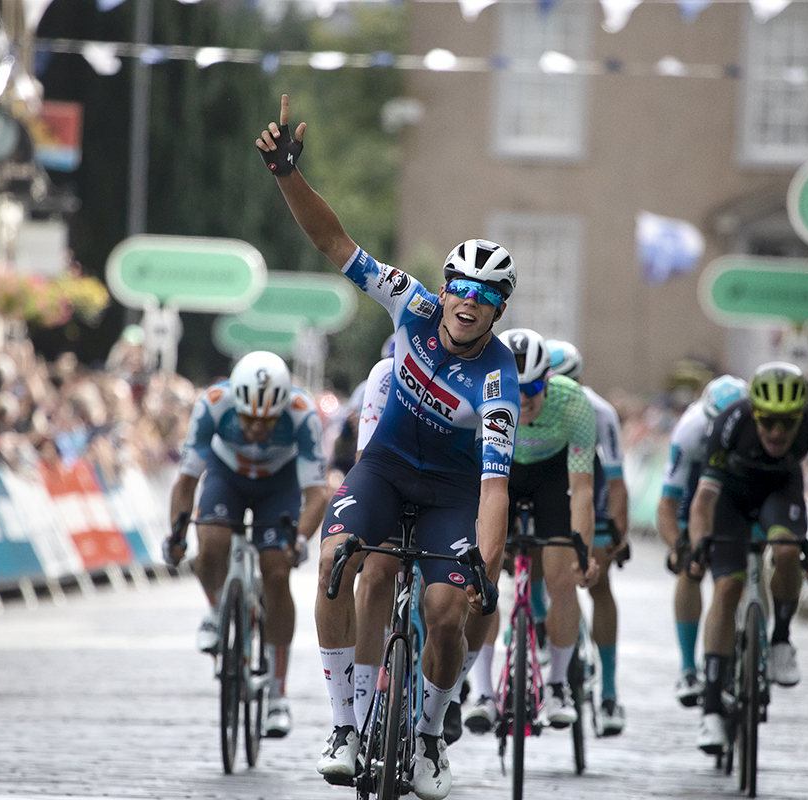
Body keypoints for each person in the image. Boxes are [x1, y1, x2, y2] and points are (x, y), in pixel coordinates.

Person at [257, 94, 519, 800]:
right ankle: (346, 725)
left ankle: (430, 735)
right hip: (386, 469)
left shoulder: (499, 377)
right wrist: (286, 174)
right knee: (337, 563)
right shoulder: (413, 303)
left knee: (444, 612)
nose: (469, 299)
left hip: (454, 494)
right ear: (445, 287)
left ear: (498, 308)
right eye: (462, 285)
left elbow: (495, 489)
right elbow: (334, 244)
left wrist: (485, 573)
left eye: (486, 294)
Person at [166, 350, 329, 738]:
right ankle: (214, 608)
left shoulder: (303, 413)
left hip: (280, 484)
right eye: (249, 418)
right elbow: (186, 481)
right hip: (228, 476)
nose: (257, 428)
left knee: (276, 572)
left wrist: (300, 540)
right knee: (212, 540)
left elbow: (317, 494)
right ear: (236, 403)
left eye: (267, 420)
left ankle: (277, 695)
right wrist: (175, 535)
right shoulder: (213, 405)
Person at [687, 361, 808, 754]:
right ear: (755, 413)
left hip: (780, 493)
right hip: (731, 500)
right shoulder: (731, 422)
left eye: (788, 424)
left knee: (788, 550)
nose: (777, 432)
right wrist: (699, 543)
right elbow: (703, 499)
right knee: (727, 586)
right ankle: (713, 708)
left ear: (800, 417)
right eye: (768, 422)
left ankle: (782, 639)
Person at [464, 328, 601, 734]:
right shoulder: (479, 393)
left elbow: (582, 490)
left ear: (550, 380)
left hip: (550, 477)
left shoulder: (573, 403)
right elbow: (472, 480)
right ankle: (483, 692)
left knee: (562, 580)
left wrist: (583, 553)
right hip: (499, 471)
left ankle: (558, 684)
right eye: (514, 387)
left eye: (534, 386)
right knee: (484, 579)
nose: (523, 397)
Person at [545, 338, 630, 734]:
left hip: (588, 494)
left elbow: (615, 483)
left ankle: (610, 692)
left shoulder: (599, 412)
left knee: (599, 581)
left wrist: (618, 533)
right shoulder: (526, 402)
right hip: (543, 491)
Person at [656, 374, 748, 708]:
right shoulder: (690, 431)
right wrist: (679, 547)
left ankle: (757, 632)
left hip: (739, 486)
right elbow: (667, 504)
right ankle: (687, 667)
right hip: (697, 484)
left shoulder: (756, 427)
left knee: (750, 557)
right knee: (689, 568)